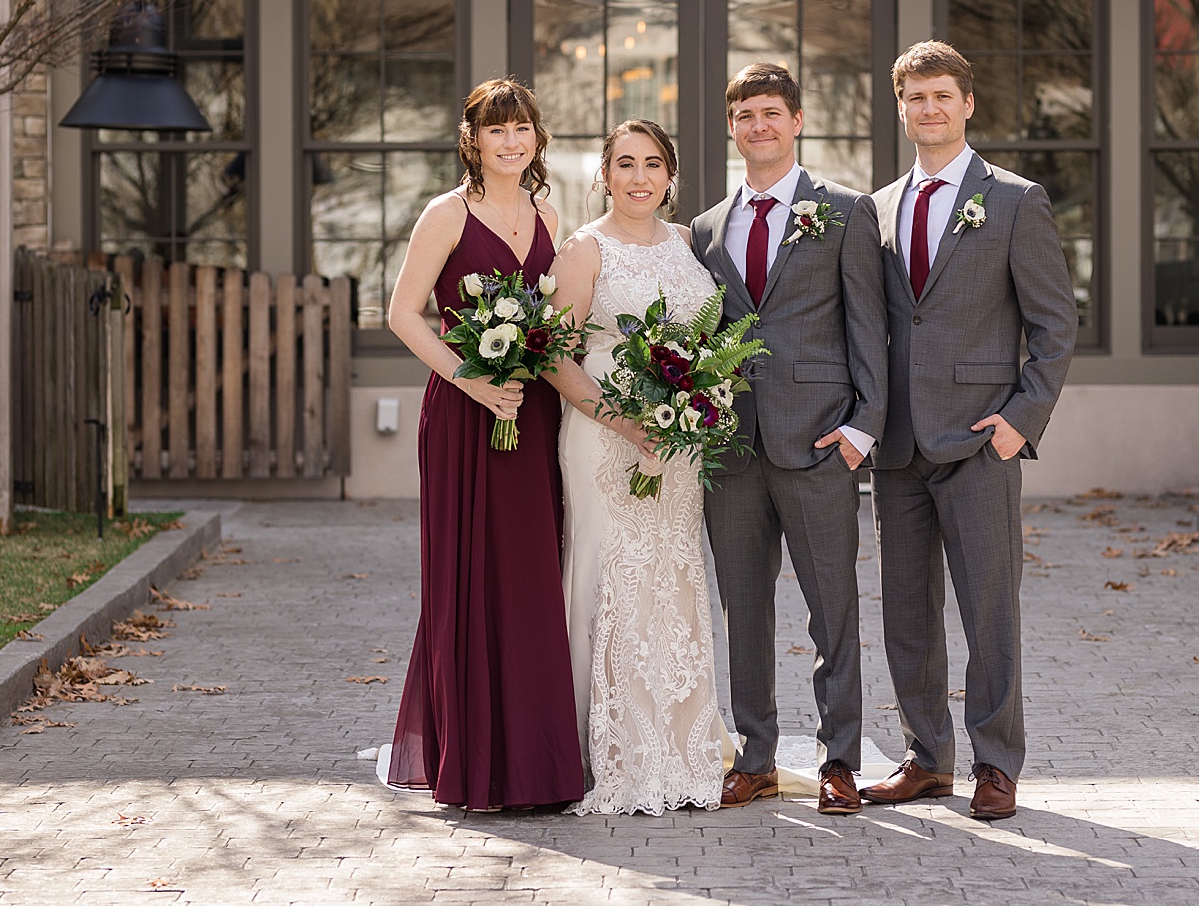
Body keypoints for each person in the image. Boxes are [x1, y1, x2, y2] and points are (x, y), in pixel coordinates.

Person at [860, 41, 1076, 822]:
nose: (930, 109)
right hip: (898, 445)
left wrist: (1021, 421)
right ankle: (926, 756)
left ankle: (995, 763)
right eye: (915, 97)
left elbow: (1055, 324)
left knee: (990, 612)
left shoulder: (1015, 200)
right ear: (901, 107)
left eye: (942, 96)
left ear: (968, 103)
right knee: (907, 612)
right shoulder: (876, 208)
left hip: (982, 443)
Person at [688, 63, 887, 816]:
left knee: (832, 607)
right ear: (732, 127)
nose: (758, 125)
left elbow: (869, 324)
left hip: (818, 445)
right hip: (732, 450)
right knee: (744, 607)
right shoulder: (707, 228)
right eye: (745, 114)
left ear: (796, 120)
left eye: (771, 112)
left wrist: (863, 427)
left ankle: (839, 760)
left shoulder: (842, 211)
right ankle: (757, 755)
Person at [380, 78, 584, 811]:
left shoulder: (551, 214)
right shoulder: (446, 213)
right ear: (472, 139)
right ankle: (474, 764)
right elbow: (403, 313)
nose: (510, 141)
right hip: (466, 414)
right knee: (468, 577)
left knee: (530, 579)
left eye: (521, 127)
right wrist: (472, 380)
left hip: (529, 416)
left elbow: (560, 323)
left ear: (536, 136)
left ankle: (537, 764)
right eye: (495, 129)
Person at [545, 119, 728, 815]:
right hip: (604, 439)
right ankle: (606, 749)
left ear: (670, 176)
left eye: (653, 163)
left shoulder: (686, 245)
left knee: (674, 575)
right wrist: (625, 419)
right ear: (603, 174)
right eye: (625, 163)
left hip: (677, 445)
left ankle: (680, 745)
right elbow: (556, 357)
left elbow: (708, 341)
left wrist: (694, 402)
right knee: (609, 573)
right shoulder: (582, 250)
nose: (640, 176)